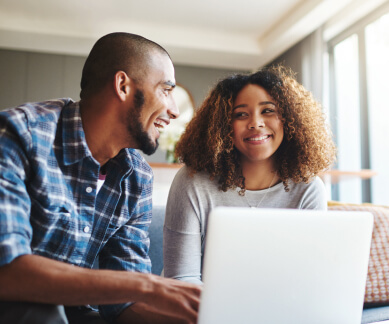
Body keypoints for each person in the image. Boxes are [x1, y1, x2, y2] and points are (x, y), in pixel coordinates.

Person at [0, 32, 201, 324]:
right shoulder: (20, 135)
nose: (174, 110)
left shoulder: (137, 178)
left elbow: (124, 304)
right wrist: (151, 286)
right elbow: (6, 271)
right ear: (123, 86)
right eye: (166, 90)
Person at [163, 65, 337, 285]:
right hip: (200, 310)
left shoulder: (308, 189)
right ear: (223, 126)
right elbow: (182, 278)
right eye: (241, 114)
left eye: (268, 110)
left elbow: (309, 278)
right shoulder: (192, 182)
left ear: (289, 119)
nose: (255, 123)